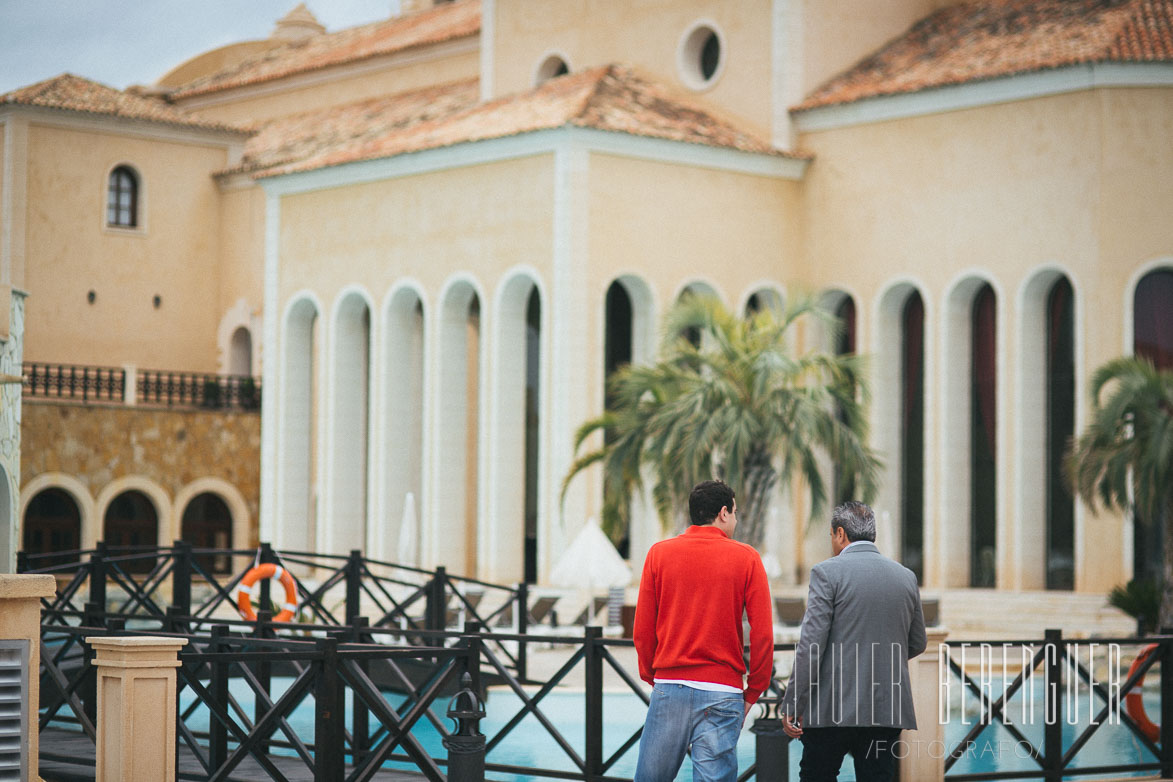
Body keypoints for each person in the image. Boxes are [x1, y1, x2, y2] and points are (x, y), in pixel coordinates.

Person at [633, 480, 773, 782]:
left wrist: (652, 676)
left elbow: (642, 630)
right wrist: (755, 689)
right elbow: (762, 633)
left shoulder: (659, 554)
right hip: (724, 691)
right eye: (735, 512)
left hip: (670, 684)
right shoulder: (747, 557)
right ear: (723, 513)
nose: (735, 520)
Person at [781, 500, 927, 782]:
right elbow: (918, 641)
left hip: (831, 706)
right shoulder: (906, 577)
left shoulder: (826, 572)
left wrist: (793, 704)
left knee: (817, 776)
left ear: (840, 533)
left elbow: (812, 645)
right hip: (885, 707)